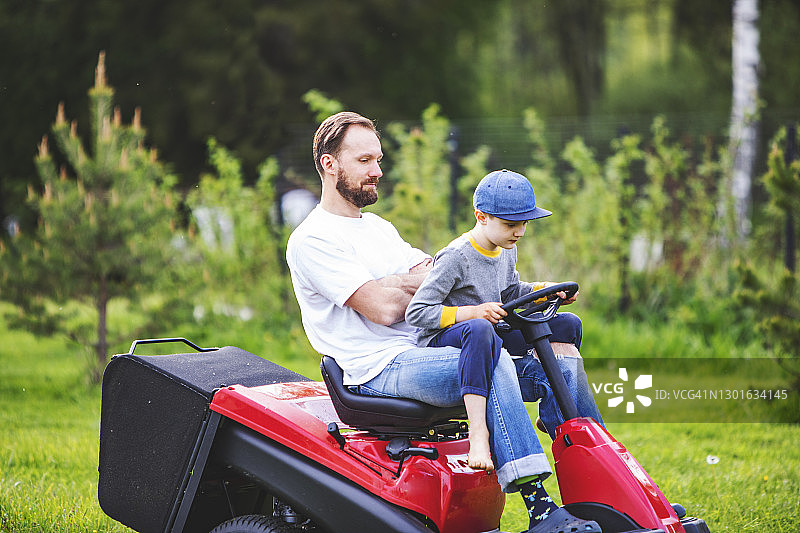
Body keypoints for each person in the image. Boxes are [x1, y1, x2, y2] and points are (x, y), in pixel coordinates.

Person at [286, 111, 600, 533]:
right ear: (330, 164)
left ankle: (600, 484)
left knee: (558, 357)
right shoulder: (313, 239)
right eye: (364, 161)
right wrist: (402, 285)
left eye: (378, 159)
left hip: (426, 351)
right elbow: (381, 308)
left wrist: (396, 283)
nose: (378, 171)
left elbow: (438, 276)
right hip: (376, 368)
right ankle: (539, 508)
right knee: (491, 357)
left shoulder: (378, 228)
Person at [405, 170, 605, 452]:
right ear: (481, 216)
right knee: (483, 328)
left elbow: (510, 294)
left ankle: (571, 426)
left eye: (524, 222)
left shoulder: (506, 246)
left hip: (493, 328)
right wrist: (472, 313)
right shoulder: (456, 257)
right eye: (511, 223)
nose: (520, 231)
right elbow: (418, 312)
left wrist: (544, 289)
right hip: (453, 337)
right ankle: (570, 431)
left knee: (569, 325)